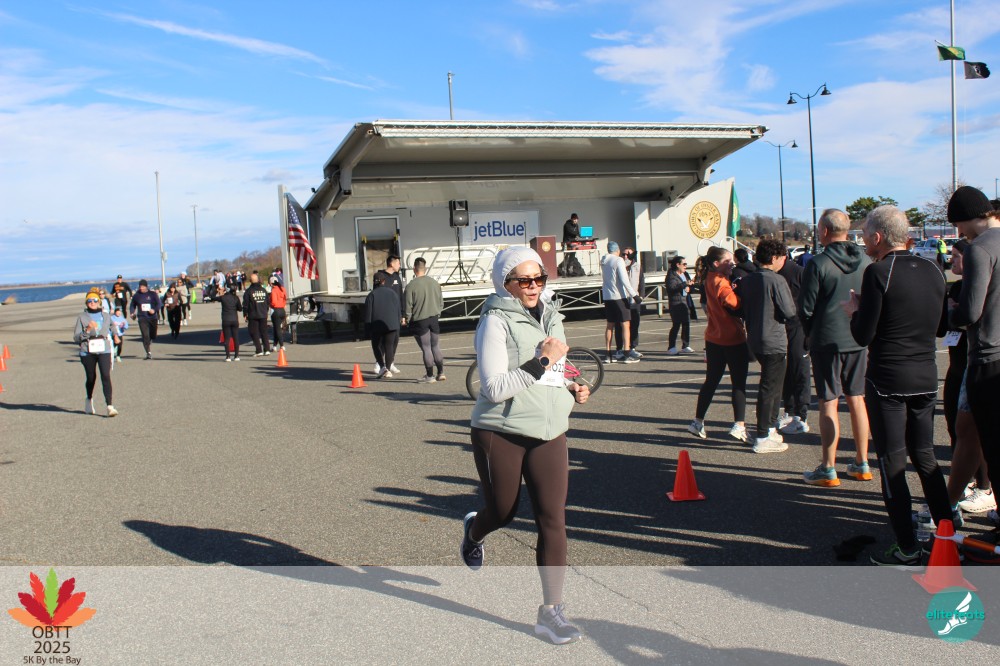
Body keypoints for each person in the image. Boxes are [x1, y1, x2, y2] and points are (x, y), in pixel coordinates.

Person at [461, 246, 589, 645]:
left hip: (549, 430)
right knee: (503, 511)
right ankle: (474, 531)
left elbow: (557, 369)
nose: (534, 286)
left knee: (553, 519)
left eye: (539, 279)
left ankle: (551, 612)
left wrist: (572, 383)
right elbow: (494, 388)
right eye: (524, 280)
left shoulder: (552, 315)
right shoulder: (494, 321)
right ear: (506, 283)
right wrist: (543, 362)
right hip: (500, 429)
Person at [845, 206, 951, 568]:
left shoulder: (878, 272)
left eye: (864, 234)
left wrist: (855, 311)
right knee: (925, 456)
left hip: (889, 379)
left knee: (892, 462)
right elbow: (942, 327)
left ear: (877, 237)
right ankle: (947, 535)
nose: (862, 240)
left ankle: (907, 547)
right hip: (926, 376)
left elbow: (863, 335)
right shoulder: (933, 269)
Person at [919, 239, 994, 527]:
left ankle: (982, 488)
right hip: (959, 364)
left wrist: (955, 313)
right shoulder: (958, 286)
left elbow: (972, 315)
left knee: (975, 431)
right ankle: (960, 493)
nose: (954, 261)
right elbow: (948, 325)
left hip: (978, 364)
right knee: (958, 430)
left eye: (957, 256)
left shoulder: (983, 280)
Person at [798, 209, 872, 487]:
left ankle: (828, 466)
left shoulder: (818, 263)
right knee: (857, 398)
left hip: (827, 338)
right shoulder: (865, 260)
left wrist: (810, 332)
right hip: (857, 337)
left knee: (828, 401)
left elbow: (805, 308)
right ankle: (862, 461)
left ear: (825, 231)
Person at [948, 186, 1000, 529]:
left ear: (967, 218)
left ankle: (948, 507)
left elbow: (969, 311)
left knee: (985, 441)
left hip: (987, 356)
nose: (959, 233)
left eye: (958, 225)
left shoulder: (980, 249)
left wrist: (949, 313)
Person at [739, 239, 796, 453]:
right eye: (782, 258)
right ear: (774, 258)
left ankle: (769, 429)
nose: (784, 261)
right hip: (774, 338)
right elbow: (789, 311)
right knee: (771, 388)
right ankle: (763, 434)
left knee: (771, 385)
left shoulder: (748, 280)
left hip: (755, 337)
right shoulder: (776, 280)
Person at [688, 247, 750, 443]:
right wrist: (742, 293)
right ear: (716, 264)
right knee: (738, 383)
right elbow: (734, 304)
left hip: (713, 337)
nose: (732, 263)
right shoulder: (721, 282)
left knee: (711, 381)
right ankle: (739, 425)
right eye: (727, 261)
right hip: (732, 337)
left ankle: (698, 421)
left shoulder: (709, 278)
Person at [776, 249, 811, 435]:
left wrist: (810, 330)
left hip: (799, 327)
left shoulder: (799, 272)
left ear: (782, 257)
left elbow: (811, 300)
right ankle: (789, 411)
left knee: (800, 369)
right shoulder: (772, 274)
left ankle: (801, 415)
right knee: (786, 370)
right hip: (781, 328)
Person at [73, 291, 120, 417]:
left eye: (95, 300)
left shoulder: (106, 315)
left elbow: (112, 326)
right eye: (89, 301)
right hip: (87, 351)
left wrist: (115, 335)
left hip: (104, 349)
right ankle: (89, 399)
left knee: (106, 375)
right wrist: (88, 330)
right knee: (91, 377)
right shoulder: (82, 317)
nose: (92, 303)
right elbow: (76, 338)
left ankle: (110, 406)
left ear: (99, 302)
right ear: (86, 303)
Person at [404, 257, 446, 382]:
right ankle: (441, 373)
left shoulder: (411, 286)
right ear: (425, 268)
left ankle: (429, 376)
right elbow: (441, 303)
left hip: (420, 320)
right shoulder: (434, 283)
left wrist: (407, 319)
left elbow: (408, 306)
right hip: (434, 318)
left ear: (414, 269)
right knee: (435, 346)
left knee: (426, 348)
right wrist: (437, 313)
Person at [600, 241, 640, 364]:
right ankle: (627, 354)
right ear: (617, 250)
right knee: (625, 325)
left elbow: (615, 268)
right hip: (619, 296)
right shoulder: (618, 260)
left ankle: (608, 354)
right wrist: (634, 295)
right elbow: (624, 280)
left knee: (610, 325)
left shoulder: (604, 260)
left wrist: (628, 260)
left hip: (608, 297)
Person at [364, 273, 401, 379]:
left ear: (373, 282)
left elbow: (368, 314)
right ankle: (388, 369)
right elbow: (398, 310)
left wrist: (367, 329)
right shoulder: (392, 293)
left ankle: (382, 366)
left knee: (376, 346)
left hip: (376, 325)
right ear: (384, 281)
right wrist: (397, 323)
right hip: (392, 325)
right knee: (389, 346)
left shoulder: (371, 295)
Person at [613, 249, 644, 356]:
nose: (626, 256)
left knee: (634, 325)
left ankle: (632, 348)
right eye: (624, 254)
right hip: (622, 299)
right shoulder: (619, 265)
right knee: (619, 325)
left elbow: (641, 282)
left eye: (628, 254)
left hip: (634, 300)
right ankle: (619, 348)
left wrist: (641, 296)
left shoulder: (637, 266)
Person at [666, 256, 694, 355]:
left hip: (685, 301)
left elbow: (690, 286)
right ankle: (671, 347)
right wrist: (684, 284)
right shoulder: (671, 275)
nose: (685, 266)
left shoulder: (685, 274)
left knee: (686, 323)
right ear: (678, 265)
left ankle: (685, 345)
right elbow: (672, 288)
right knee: (676, 324)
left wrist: (690, 288)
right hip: (675, 302)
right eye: (684, 264)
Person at [128, 279, 161, 360]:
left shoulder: (152, 294)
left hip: (152, 317)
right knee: (145, 335)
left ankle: (150, 339)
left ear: (146, 286)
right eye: (140, 287)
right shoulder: (136, 295)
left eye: (143, 287)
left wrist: (154, 310)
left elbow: (159, 304)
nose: (141, 288)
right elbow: (132, 305)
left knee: (153, 335)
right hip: (142, 318)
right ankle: (148, 353)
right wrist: (132, 313)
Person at [242, 271, 271, 357]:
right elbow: (268, 302)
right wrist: (265, 311)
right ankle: (267, 349)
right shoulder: (263, 290)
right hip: (263, 314)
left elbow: (245, 304)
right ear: (258, 280)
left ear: (250, 281)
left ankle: (259, 350)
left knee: (253, 332)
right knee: (264, 332)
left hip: (253, 315)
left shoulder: (248, 291)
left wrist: (245, 314)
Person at [219, 286, 242, 361]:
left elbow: (212, 298)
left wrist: (219, 291)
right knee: (236, 338)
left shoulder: (223, 298)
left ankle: (228, 356)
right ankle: (236, 356)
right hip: (234, 319)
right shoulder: (236, 298)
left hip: (226, 320)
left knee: (227, 339)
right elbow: (240, 309)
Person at [269, 276, 288, 351]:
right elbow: (285, 299)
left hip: (276, 311)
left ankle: (282, 345)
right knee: (277, 329)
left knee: (277, 329)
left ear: (271, 283)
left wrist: (269, 304)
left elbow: (274, 302)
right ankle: (274, 345)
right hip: (282, 310)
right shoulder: (282, 289)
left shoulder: (274, 290)